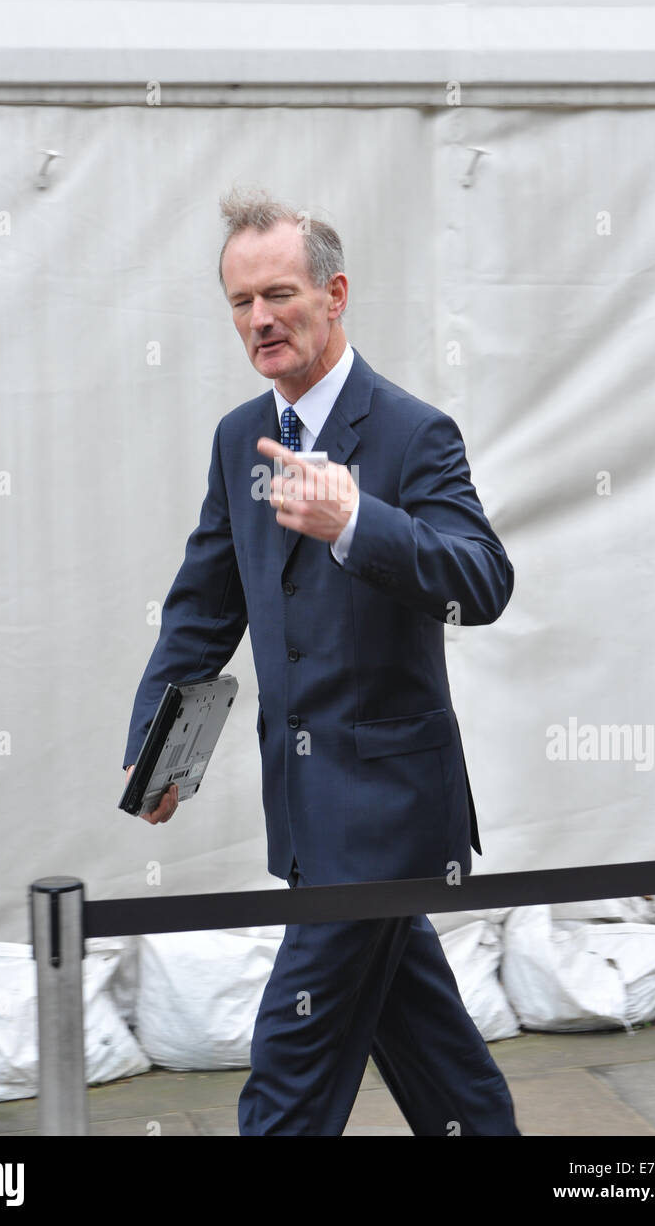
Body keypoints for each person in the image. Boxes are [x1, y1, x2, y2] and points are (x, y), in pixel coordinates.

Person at [121, 189, 521, 1136]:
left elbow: (483, 581)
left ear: (334, 293)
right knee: (429, 1048)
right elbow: (203, 607)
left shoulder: (412, 432)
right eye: (240, 302)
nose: (259, 319)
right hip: (303, 812)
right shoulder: (237, 441)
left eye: (280, 295)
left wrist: (357, 524)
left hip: (388, 814)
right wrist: (157, 747)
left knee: (291, 1063)